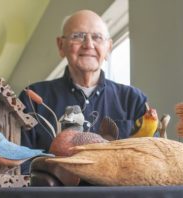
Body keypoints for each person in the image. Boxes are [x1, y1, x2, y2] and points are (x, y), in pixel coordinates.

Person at [19, 10, 147, 174]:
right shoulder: (32, 99)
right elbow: (19, 164)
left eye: (97, 37)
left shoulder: (134, 100)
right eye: (78, 36)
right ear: (61, 45)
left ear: (108, 47)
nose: (88, 44)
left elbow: (149, 160)